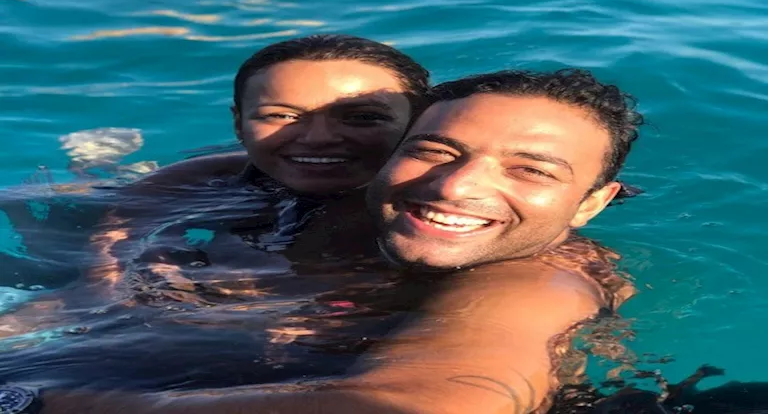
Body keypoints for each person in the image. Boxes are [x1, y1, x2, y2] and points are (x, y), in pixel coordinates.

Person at [32, 68, 643, 414]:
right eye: (435, 151)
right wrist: (104, 268)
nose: (456, 187)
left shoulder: (539, 283)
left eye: (531, 170)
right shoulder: (357, 202)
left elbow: (429, 405)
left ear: (593, 202)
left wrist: (47, 402)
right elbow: (233, 171)